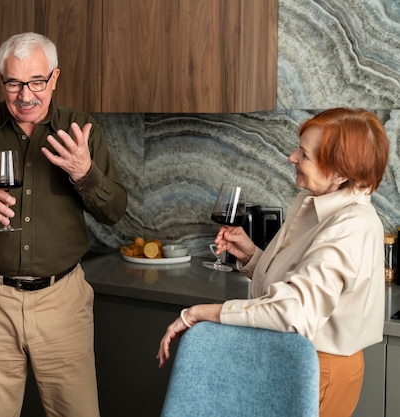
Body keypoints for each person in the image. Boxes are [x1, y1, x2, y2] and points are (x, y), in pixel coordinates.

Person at [0, 32, 127, 416]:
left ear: (55, 78)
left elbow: (115, 211)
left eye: (37, 82)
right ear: (1, 80)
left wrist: (85, 173)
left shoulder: (80, 130)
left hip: (62, 299)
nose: (25, 95)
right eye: (14, 83)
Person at [157, 108, 388, 417]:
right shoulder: (317, 204)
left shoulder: (349, 226)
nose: (292, 156)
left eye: (304, 155)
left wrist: (200, 314)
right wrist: (252, 255)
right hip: (294, 357)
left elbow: (292, 311)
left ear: (340, 173)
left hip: (318, 368)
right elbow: (298, 283)